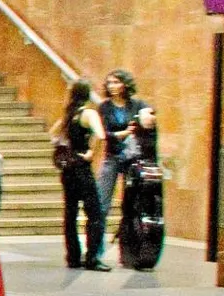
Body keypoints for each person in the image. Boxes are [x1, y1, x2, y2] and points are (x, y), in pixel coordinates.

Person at [51, 78, 109, 271]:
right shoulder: (88, 113)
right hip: (82, 168)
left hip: (67, 170)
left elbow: (53, 135)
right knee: (95, 213)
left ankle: (73, 257)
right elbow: (101, 135)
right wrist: (92, 152)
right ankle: (92, 256)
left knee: (70, 213)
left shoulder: (68, 115)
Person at [97, 69, 150, 215]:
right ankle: (97, 236)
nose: (112, 86)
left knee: (132, 200)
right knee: (102, 197)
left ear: (125, 84)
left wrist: (145, 120)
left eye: (116, 82)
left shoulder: (137, 105)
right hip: (112, 155)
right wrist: (125, 133)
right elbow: (104, 133)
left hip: (132, 157)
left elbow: (150, 117)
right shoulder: (104, 107)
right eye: (109, 83)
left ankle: (128, 235)